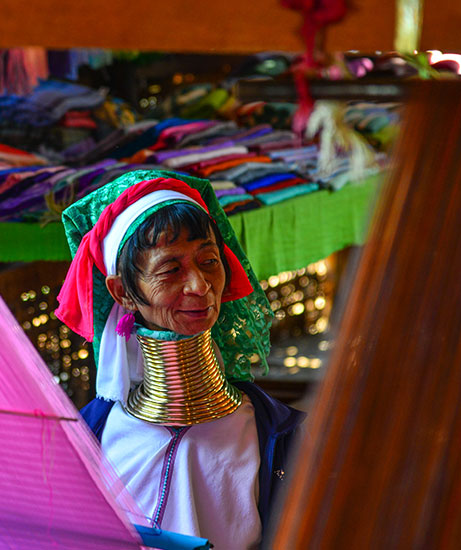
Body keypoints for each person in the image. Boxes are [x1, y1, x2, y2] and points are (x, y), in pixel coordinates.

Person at [56, 169, 304, 549]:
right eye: (171, 269)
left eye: (209, 261)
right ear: (122, 291)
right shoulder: (91, 441)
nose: (200, 286)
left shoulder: (280, 437)